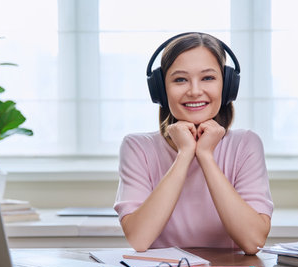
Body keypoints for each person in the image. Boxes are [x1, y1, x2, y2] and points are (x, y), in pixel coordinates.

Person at [114, 32, 273, 255]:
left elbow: (254, 241)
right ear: (161, 89)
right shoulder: (137, 147)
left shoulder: (246, 145)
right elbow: (139, 240)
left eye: (208, 78)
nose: (195, 91)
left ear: (227, 86)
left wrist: (206, 156)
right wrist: (185, 154)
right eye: (180, 79)